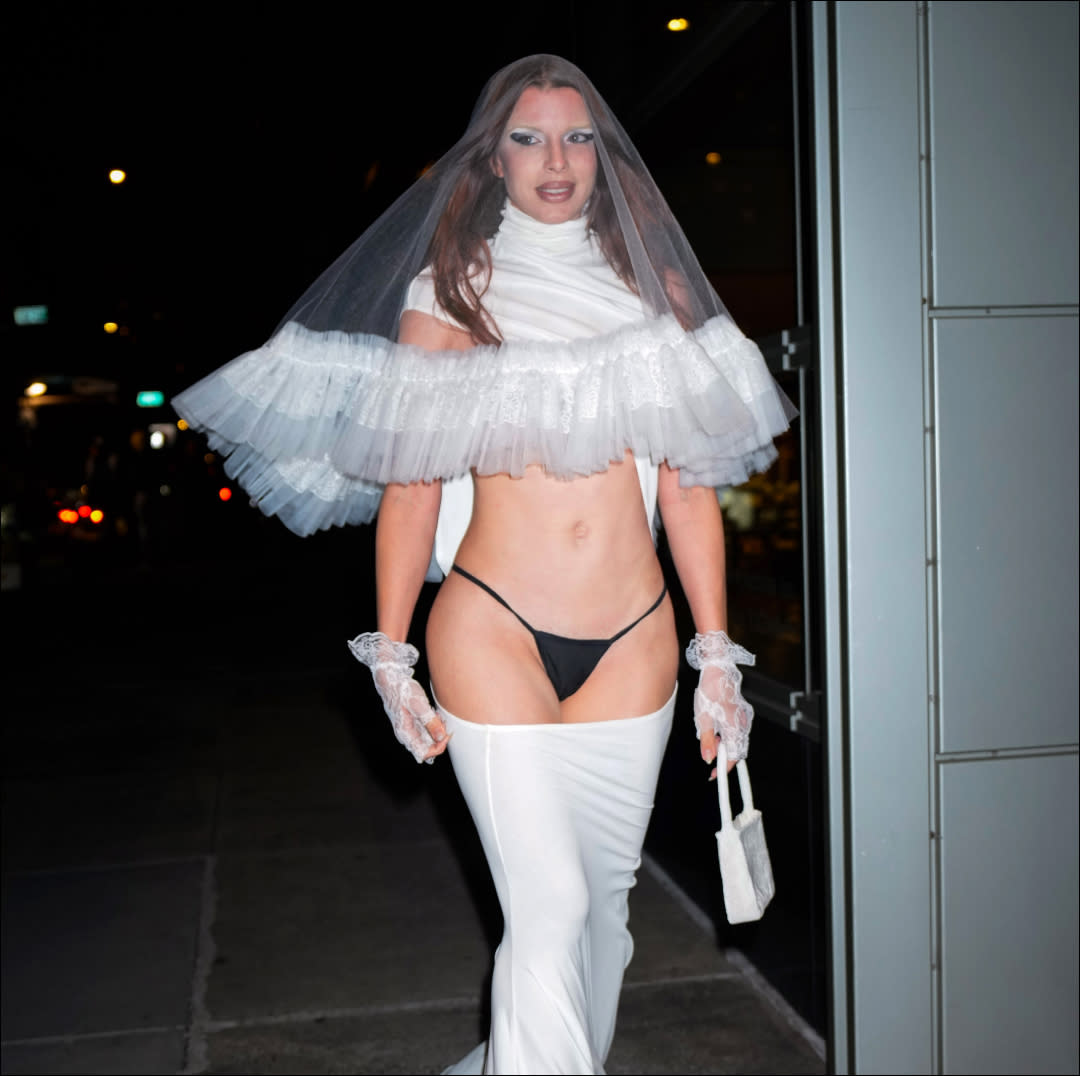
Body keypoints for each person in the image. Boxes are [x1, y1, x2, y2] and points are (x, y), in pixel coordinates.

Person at [174, 54, 794, 1075]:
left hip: (635, 644)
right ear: (492, 160)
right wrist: (391, 654)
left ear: (604, 155)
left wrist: (718, 654)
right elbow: (412, 488)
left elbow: (687, 489)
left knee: (600, 926)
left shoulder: (658, 292)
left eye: (577, 136)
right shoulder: (453, 294)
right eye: (529, 137)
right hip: (492, 629)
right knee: (546, 914)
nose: (556, 159)